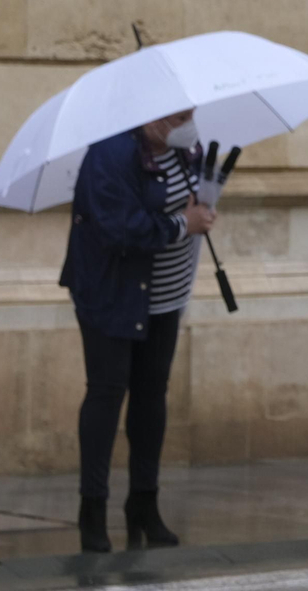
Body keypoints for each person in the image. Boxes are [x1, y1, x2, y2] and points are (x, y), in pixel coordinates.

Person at [60, 110, 216, 553]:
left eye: (191, 112)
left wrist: (205, 204)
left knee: (152, 395)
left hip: (167, 294)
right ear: (150, 113)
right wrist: (185, 224)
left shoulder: (189, 150)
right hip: (111, 293)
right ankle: (92, 511)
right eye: (178, 114)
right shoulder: (110, 155)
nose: (188, 120)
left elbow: (190, 204)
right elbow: (121, 228)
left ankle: (144, 503)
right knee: (107, 393)